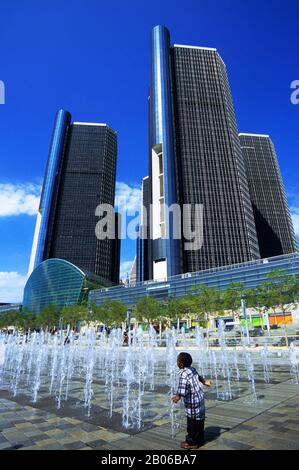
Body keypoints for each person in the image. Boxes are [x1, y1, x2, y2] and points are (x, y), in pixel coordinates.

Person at [171, 352, 212, 449]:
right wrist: (205, 382)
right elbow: (199, 377)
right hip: (200, 399)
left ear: (181, 364)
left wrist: (178, 396)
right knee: (199, 420)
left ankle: (192, 442)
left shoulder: (183, 374)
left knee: (192, 423)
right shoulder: (192, 369)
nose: (176, 362)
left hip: (192, 402)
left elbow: (182, 387)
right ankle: (200, 440)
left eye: (177, 361)